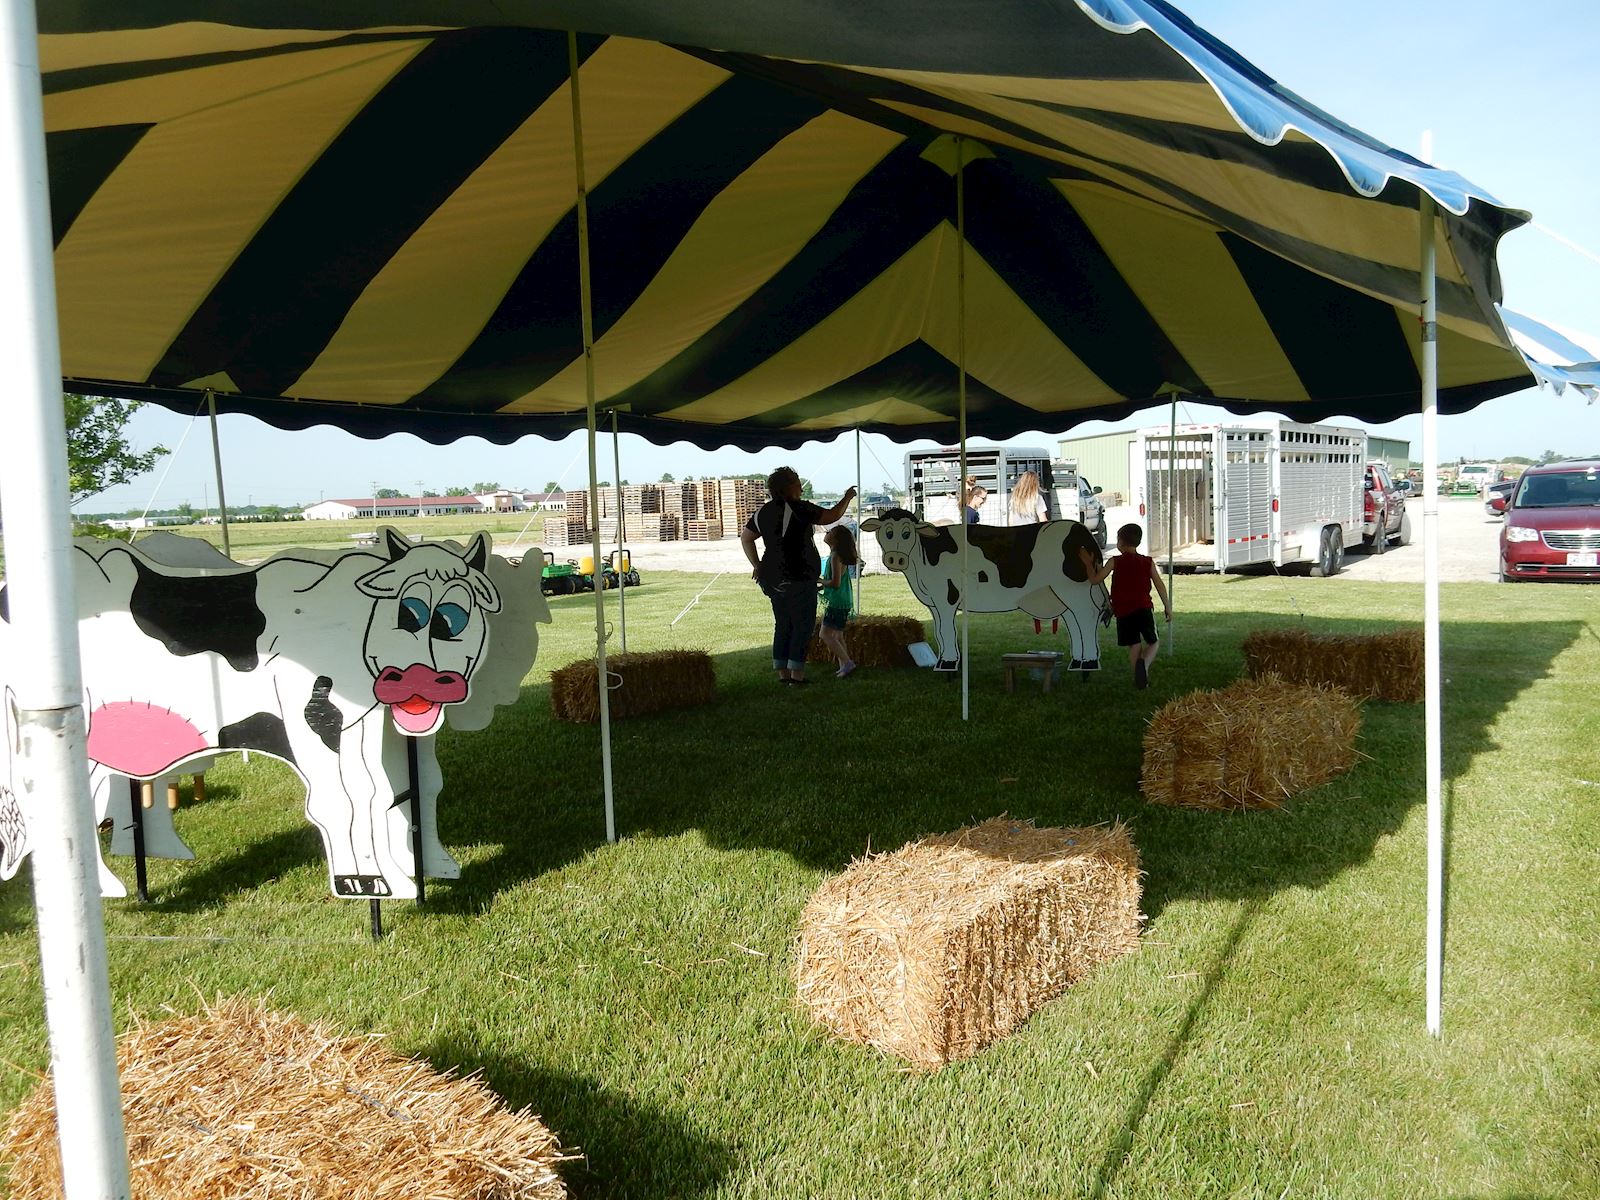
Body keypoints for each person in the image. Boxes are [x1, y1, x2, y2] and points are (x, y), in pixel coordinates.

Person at [740, 468, 857, 685]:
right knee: (802, 627)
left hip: (772, 579)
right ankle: (797, 676)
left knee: (783, 624)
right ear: (787, 487)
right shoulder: (799, 507)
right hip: (798, 577)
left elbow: (746, 538)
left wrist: (757, 565)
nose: (801, 487)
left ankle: (783, 674)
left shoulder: (762, 512)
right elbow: (832, 516)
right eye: (797, 482)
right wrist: (847, 497)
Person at [1081, 523, 1171, 689]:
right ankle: (1143, 665)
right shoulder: (1147, 562)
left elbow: (1095, 580)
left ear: (1121, 542)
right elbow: (1159, 585)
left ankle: (1139, 677)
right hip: (1143, 608)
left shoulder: (1114, 561)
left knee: (1134, 644)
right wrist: (1167, 606)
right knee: (1153, 642)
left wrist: (1087, 563)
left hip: (1123, 612)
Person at [818, 525, 859, 678]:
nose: (826, 533)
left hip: (837, 602)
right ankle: (844, 667)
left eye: (830, 532)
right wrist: (821, 585)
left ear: (835, 540)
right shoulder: (837, 555)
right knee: (838, 636)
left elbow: (835, 583)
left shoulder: (835, 556)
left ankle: (847, 663)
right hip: (843, 601)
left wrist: (819, 580)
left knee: (825, 634)